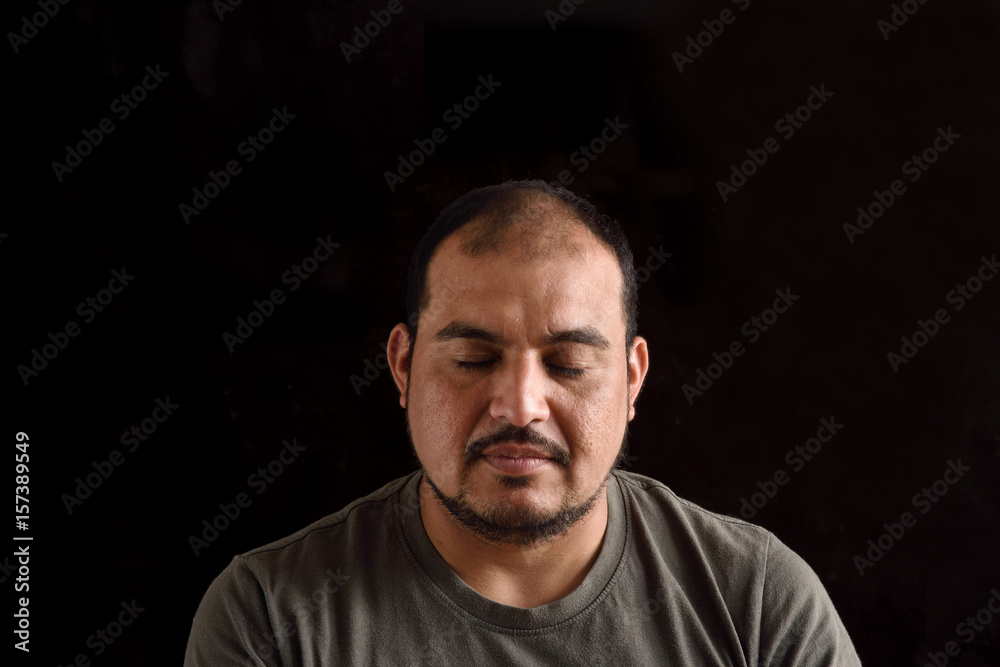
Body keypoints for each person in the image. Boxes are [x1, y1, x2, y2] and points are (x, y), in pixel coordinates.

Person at [184, 179, 862, 665]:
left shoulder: (758, 603)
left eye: (567, 363)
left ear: (631, 379)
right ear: (402, 366)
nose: (519, 405)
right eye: (474, 358)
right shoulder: (272, 617)